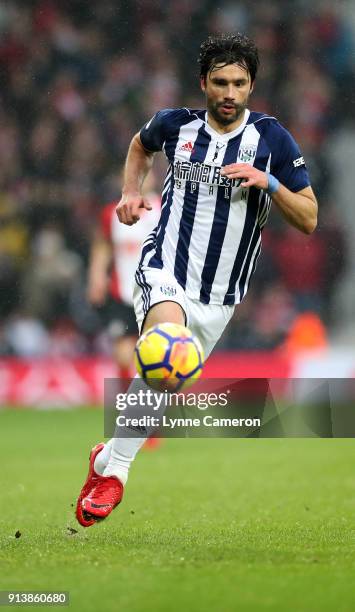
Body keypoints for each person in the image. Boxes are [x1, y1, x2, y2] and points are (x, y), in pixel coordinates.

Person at [76, 32, 318, 527]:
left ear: (252, 86)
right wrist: (130, 191)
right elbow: (140, 146)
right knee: (165, 348)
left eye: (240, 83)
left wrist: (268, 182)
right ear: (203, 83)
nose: (230, 93)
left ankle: (104, 460)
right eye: (221, 82)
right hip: (164, 267)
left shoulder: (272, 139)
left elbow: (310, 218)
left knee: (166, 380)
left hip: (221, 296)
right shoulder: (174, 124)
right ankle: (115, 473)